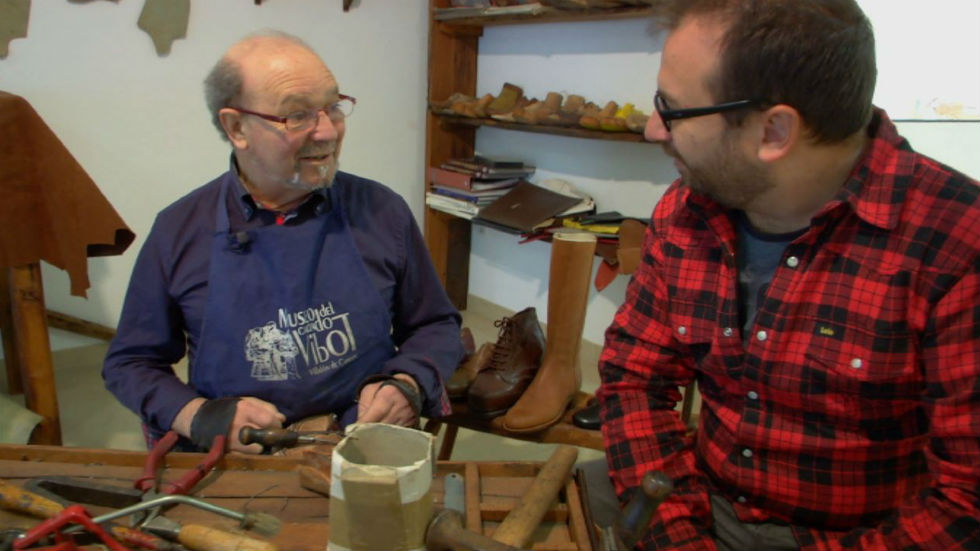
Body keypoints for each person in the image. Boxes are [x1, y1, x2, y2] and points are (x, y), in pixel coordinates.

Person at [596, 1, 979, 549]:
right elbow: (634, 378)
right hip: (704, 501)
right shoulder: (687, 211)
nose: (653, 129)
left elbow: (966, 503)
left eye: (672, 109)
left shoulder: (957, 244)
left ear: (774, 131)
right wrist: (676, 533)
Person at [103, 31, 463, 454]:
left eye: (333, 106)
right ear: (236, 127)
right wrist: (198, 416)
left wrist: (407, 383)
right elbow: (131, 363)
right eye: (297, 115)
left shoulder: (381, 210)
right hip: (238, 456)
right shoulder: (179, 230)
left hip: (359, 443)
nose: (327, 132)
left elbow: (435, 325)